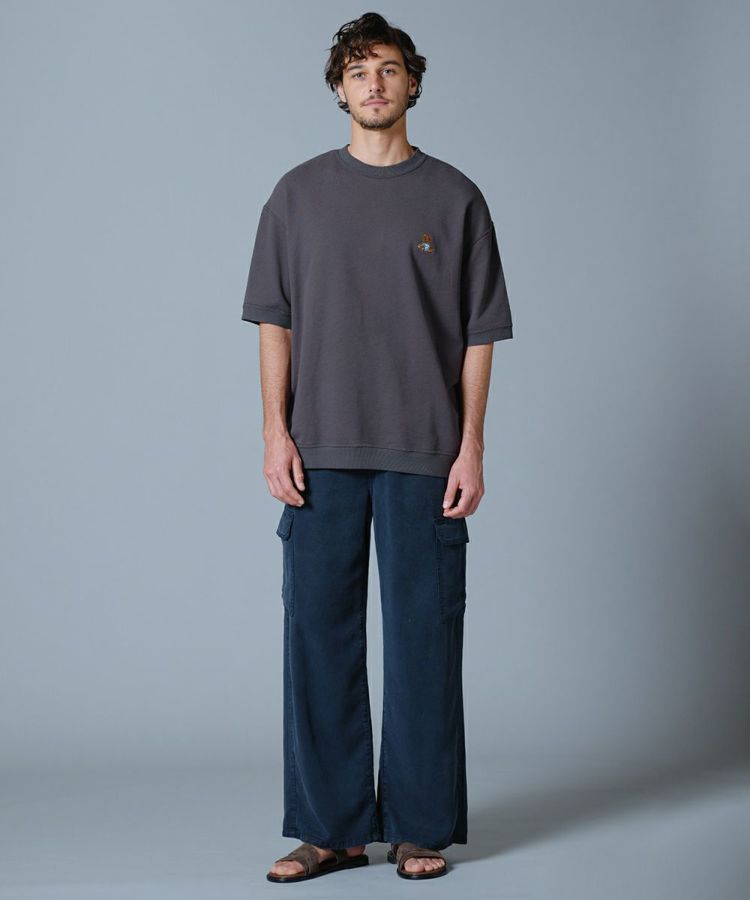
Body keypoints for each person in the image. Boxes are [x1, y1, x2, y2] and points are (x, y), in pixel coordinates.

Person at [241, 11, 513, 883]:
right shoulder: (296, 195)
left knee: (424, 641)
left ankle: (420, 827)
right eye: (358, 71)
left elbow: (480, 334)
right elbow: (275, 322)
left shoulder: (456, 198)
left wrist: (471, 448)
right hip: (319, 449)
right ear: (338, 89)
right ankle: (331, 830)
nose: (374, 84)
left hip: (425, 451)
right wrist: (275, 432)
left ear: (413, 83)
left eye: (389, 69)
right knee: (318, 637)